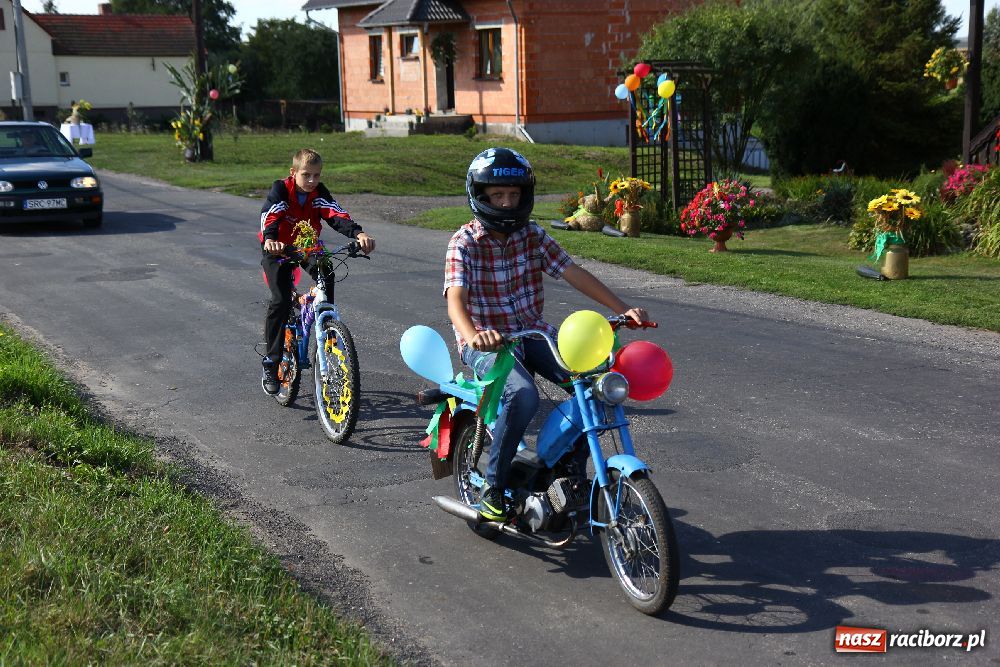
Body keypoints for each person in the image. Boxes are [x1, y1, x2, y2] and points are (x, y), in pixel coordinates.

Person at [444, 147, 647, 521]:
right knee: (522, 396)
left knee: (594, 386)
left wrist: (622, 309)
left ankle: (569, 473)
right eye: (498, 195)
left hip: (533, 333)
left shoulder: (532, 234)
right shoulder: (464, 242)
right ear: (481, 195)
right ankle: (494, 487)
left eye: (514, 194)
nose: (507, 203)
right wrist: (473, 335)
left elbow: (572, 272)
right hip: (488, 342)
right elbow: (455, 299)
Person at [258, 148, 375, 395]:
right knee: (280, 301)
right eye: (306, 175)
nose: (312, 181)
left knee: (327, 272)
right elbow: (270, 215)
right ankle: (271, 362)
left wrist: (359, 234)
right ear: (293, 172)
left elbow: (335, 214)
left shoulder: (318, 193)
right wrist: (270, 239)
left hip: (307, 246)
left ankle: (328, 330)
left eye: (316, 175)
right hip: (279, 249)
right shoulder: (281, 189)